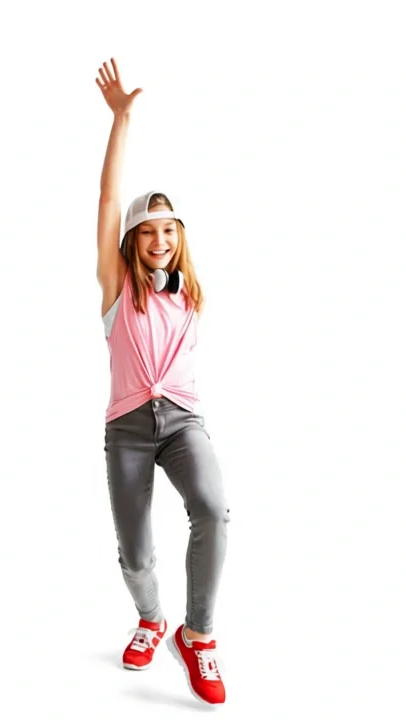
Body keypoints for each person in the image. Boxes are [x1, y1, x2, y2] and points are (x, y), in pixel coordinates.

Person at [93, 59, 230, 706]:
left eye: (169, 230)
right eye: (147, 230)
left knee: (212, 509)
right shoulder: (119, 291)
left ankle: (196, 637)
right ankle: (152, 619)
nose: (159, 238)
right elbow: (105, 203)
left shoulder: (192, 295)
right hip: (127, 430)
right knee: (136, 551)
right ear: (132, 242)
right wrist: (120, 122)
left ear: (180, 240)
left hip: (182, 423)